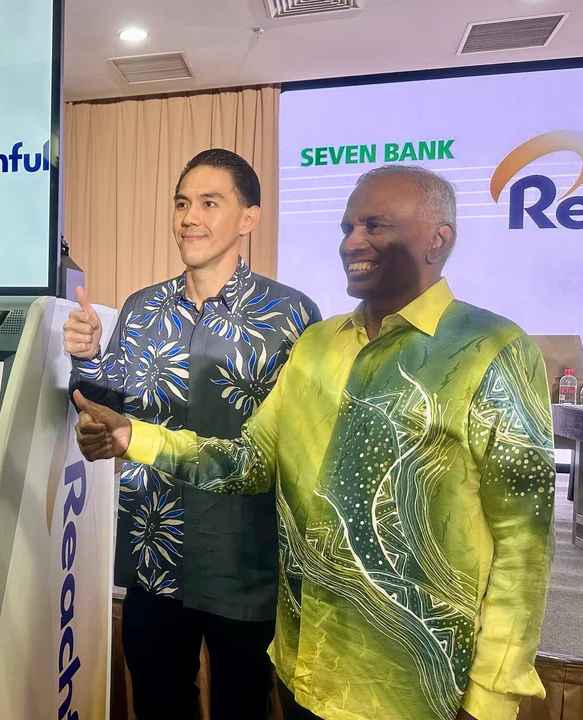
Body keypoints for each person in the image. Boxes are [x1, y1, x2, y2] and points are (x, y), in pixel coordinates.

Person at [73, 164, 555, 720]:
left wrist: (491, 698)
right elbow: (250, 459)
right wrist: (131, 433)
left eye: (375, 226)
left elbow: (524, 546)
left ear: (438, 239)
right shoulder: (320, 345)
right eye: (348, 227)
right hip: (302, 664)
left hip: (416, 685)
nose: (352, 242)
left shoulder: (492, 349)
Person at [64, 149, 320, 719]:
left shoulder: (292, 317)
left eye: (209, 203)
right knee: (159, 705)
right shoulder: (141, 309)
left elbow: (302, 445)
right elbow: (111, 408)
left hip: (247, 567)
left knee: (242, 708)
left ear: (248, 218)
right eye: (182, 204)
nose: (190, 218)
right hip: (154, 559)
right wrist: (87, 358)